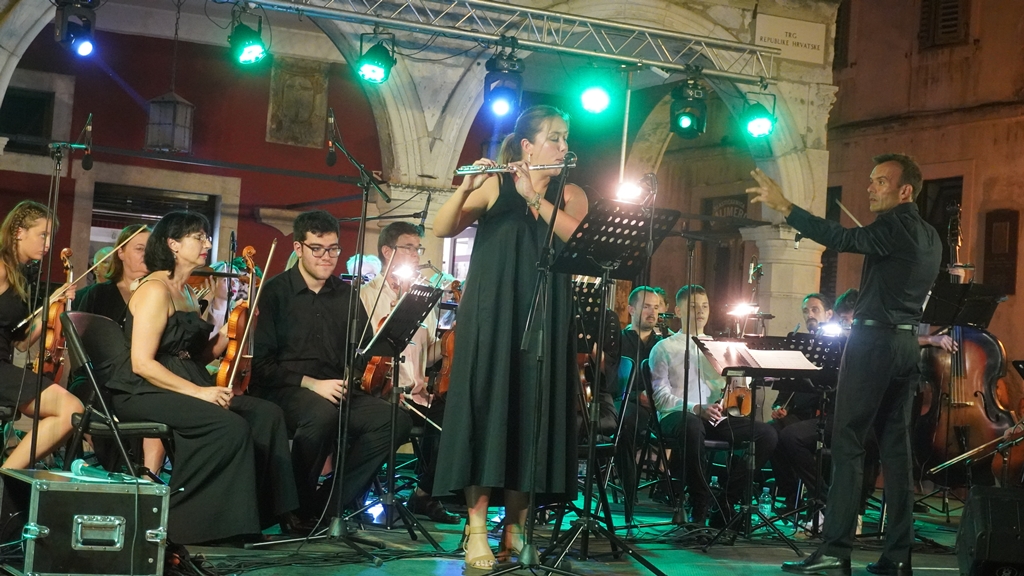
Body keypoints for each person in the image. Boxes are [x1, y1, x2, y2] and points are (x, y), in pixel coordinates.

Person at [749, 154, 941, 576]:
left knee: (848, 443)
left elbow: (841, 237)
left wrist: (788, 208)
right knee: (897, 452)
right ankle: (898, 556)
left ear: (905, 190)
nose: (870, 187)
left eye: (880, 181)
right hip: (906, 345)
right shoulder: (930, 236)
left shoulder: (893, 226)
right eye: (870, 180)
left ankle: (836, 548)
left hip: (874, 344)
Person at [432, 105, 587, 569]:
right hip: (492, 315)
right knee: (485, 413)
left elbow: (577, 240)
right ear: (527, 145)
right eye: (555, 137)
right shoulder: (495, 185)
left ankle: (516, 528)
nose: (564, 146)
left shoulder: (570, 192)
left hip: (546, 316)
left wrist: (534, 198)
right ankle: (477, 529)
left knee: (529, 415)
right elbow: (442, 227)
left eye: (565, 138)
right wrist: (466, 187)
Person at [105, 211, 299, 544]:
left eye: (206, 237)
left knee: (267, 415)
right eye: (198, 237)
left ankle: (264, 517)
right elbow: (142, 363)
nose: (207, 244)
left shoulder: (187, 293)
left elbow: (195, 356)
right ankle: (188, 523)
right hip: (142, 391)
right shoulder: (154, 290)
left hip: (182, 381)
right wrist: (199, 392)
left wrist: (231, 331)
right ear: (173, 244)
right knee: (228, 426)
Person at [251, 210, 411, 525]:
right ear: (298, 248)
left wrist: (362, 368)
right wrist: (312, 384)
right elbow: (262, 366)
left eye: (333, 249)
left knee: (394, 420)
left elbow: (362, 352)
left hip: (336, 389)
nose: (327, 257)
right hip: (287, 389)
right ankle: (293, 505)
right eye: (318, 249)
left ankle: (329, 502)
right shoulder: (275, 292)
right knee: (321, 414)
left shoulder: (346, 294)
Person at [649, 284, 778, 527]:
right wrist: (695, 408)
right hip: (676, 416)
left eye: (705, 306)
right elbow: (660, 397)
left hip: (714, 417)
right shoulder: (664, 347)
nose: (700, 311)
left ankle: (727, 500)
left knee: (766, 434)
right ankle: (700, 501)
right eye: (693, 306)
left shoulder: (721, 347)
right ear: (678, 311)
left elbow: (737, 391)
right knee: (692, 426)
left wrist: (744, 373)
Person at [358, 221, 459, 524]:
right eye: (409, 248)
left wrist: (452, 336)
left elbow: (426, 357)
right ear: (387, 251)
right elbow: (361, 354)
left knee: (461, 417)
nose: (416, 255)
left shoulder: (421, 300)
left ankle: (424, 494)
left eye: (418, 249)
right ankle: (360, 493)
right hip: (381, 394)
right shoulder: (366, 297)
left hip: (417, 395)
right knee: (392, 422)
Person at [71, 224, 168, 473]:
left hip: (142, 377)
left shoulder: (160, 293)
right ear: (121, 253)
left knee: (158, 401)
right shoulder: (97, 294)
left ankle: (149, 476)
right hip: (98, 378)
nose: (146, 255)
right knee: (94, 400)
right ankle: (117, 469)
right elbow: (80, 348)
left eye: (151, 249)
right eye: (139, 248)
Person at [0, 201, 84, 469]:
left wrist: (51, 305)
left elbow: (22, 343)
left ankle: (11, 472)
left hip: (4, 364)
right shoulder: (1, 268)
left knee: (72, 410)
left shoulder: (21, 277)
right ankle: (11, 472)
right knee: (70, 408)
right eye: (42, 235)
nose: (47, 244)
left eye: (50, 237)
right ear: (19, 232)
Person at [615, 285, 669, 522]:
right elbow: (612, 383)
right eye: (646, 306)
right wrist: (638, 396)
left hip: (662, 406)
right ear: (631, 309)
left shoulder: (664, 343)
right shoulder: (618, 340)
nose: (652, 312)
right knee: (625, 422)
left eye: (656, 307)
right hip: (630, 403)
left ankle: (673, 491)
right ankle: (629, 490)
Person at [770, 293, 834, 431]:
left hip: (821, 416)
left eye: (815, 310)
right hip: (797, 415)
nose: (809, 315)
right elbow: (787, 387)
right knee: (766, 432)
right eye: (805, 311)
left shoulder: (836, 347)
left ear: (829, 314)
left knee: (789, 435)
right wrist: (780, 407)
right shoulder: (799, 346)